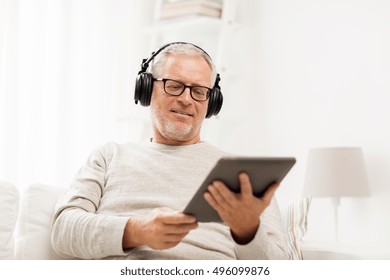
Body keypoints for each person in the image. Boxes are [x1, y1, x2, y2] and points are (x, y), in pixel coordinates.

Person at [51, 42, 291, 260]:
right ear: (146, 89)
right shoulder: (109, 156)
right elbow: (63, 230)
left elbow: (280, 266)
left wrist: (248, 232)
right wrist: (137, 231)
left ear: (212, 102)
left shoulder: (242, 174)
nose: (187, 99)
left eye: (199, 92)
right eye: (174, 86)